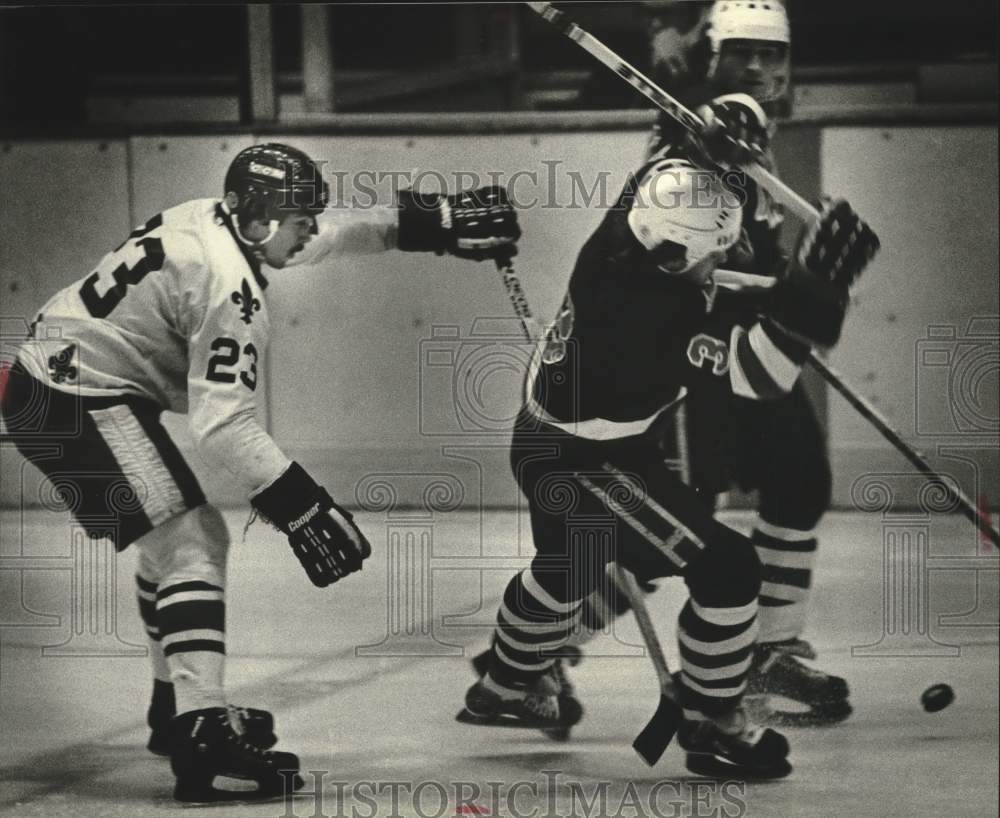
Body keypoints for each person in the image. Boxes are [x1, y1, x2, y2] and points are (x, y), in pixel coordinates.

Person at [0, 143, 520, 803]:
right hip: (75, 400)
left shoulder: (217, 220)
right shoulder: (230, 288)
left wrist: (430, 222)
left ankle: (181, 709)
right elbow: (223, 422)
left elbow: (330, 236)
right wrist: (305, 507)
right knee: (194, 542)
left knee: (172, 546)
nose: (310, 228)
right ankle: (201, 736)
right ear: (258, 220)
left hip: (60, 382)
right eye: (298, 216)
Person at [458, 110, 878, 777]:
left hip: (553, 440)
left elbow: (673, 168)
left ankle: (505, 686)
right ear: (678, 256)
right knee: (728, 567)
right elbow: (764, 373)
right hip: (586, 462)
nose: (728, 260)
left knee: (567, 570)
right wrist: (821, 286)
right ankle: (713, 723)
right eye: (717, 253)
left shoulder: (634, 214)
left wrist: (708, 144)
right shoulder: (654, 319)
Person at [529, 0, 854, 729]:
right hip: (694, 362)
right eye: (744, 53)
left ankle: (770, 654)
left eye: (775, 55)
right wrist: (712, 131)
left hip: (746, 348)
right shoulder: (696, 128)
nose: (763, 69)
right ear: (712, 57)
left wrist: (798, 289)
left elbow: (750, 251)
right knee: (672, 537)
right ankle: (543, 649)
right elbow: (673, 208)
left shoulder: (753, 139)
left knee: (800, 482)